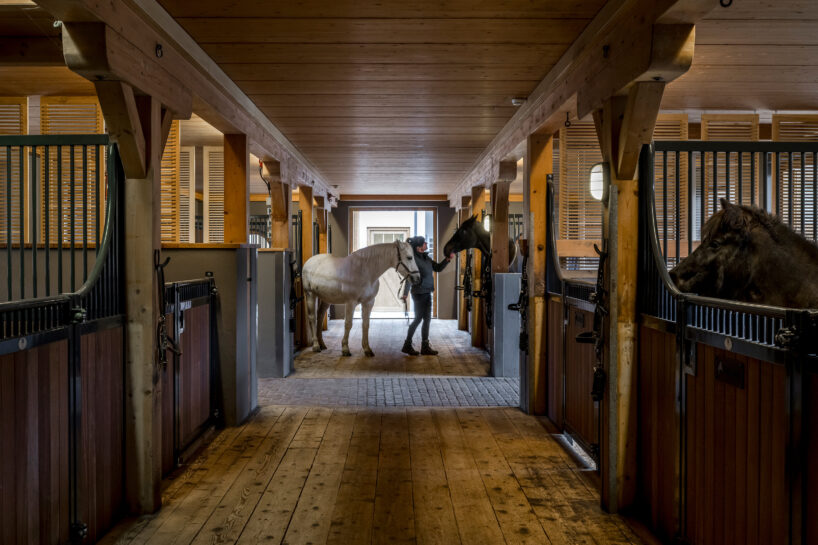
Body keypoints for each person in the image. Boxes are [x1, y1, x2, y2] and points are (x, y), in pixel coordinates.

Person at [401, 236, 452, 356]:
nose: (426, 243)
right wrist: (405, 293)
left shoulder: (426, 258)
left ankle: (425, 346)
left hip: (427, 291)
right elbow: (410, 277)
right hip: (419, 293)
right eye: (424, 243)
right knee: (418, 319)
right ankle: (407, 345)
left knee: (427, 320)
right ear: (418, 248)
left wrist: (447, 259)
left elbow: (438, 268)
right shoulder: (413, 260)